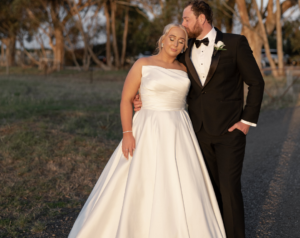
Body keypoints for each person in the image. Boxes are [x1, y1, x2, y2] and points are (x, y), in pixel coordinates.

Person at [68, 24, 226, 238]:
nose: (176, 43)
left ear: (184, 47)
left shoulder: (185, 69)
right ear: (163, 39)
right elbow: (125, 99)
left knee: (182, 181)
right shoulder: (143, 64)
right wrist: (127, 133)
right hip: (148, 126)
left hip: (179, 128)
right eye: (172, 38)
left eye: (181, 41)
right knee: (140, 179)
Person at [134, 0, 265, 238]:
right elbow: (166, 77)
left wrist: (246, 122)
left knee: (228, 188)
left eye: (186, 19)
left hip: (230, 131)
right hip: (196, 133)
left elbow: (256, 82)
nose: (183, 24)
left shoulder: (235, 43)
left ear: (201, 18)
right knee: (206, 190)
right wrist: (143, 98)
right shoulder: (184, 50)